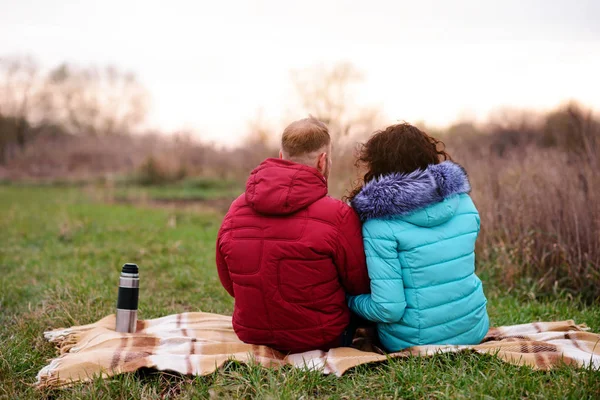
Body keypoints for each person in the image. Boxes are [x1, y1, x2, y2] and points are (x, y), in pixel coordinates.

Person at [216, 117, 370, 353]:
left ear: (280, 156)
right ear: (323, 160)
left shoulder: (236, 208)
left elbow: (228, 279)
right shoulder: (338, 215)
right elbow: (358, 283)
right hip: (323, 338)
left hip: (252, 335)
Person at [346, 123, 489, 352]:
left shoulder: (379, 226)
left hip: (415, 341)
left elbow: (388, 308)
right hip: (474, 328)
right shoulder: (464, 203)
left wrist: (349, 300)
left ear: (378, 168)